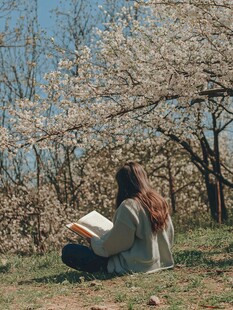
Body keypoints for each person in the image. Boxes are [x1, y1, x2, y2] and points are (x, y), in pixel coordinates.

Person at [61, 162, 174, 274]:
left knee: (69, 251)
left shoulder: (130, 205)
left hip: (134, 265)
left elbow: (117, 245)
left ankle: (101, 269)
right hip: (161, 262)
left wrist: (94, 242)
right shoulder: (160, 202)